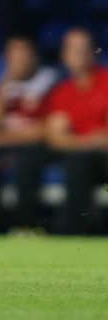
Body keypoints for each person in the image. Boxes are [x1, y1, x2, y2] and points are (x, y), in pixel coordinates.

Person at [0, 35, 58, 233]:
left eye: (24, 55)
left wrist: (2, 138)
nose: (20, 62)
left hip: (37, 148)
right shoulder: (4, 85)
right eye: (14, 57)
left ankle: (25, 225)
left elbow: (44, 132)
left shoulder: (50, 82)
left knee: (26, 164)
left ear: (34, 56)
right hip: (7, 146)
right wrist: (5, 85)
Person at [45, 27, 108, 234]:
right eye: (73, 48)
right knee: (77, 163)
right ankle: (72, 233)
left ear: (94, 51)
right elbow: (56, 139)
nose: (79, 53)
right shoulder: (63, 91)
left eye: (84, 47)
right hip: (83, 157)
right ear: (64, 54)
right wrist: (89, 141)